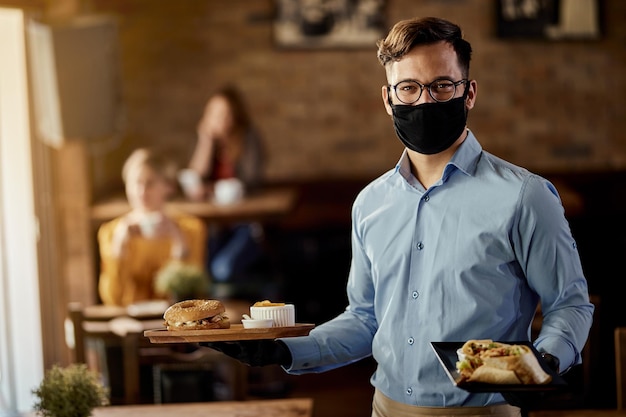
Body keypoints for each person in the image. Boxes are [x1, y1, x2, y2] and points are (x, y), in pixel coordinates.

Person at [202, 16, 594, 417]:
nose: (424, 101)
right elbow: (365, 319)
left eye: (442, 85)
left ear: (469, 93)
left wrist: (546, 363)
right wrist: (281, 349)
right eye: (408, 88)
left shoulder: (525, 196)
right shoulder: (370, 204)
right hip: (384, 409)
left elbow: (570, 304)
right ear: (388, 100)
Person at [98, 147, 207, 306]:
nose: (141, 191)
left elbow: (192, 294)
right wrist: (119, 248)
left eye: (150, 183)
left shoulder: (191, 228)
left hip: (174, 321)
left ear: (169, 186)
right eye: (136, 183)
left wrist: (179, 243)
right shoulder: (110, 232)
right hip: (129, 322)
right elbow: (112, 299)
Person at [184, 85, 267, 291]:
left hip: (245, 223)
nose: (220, 119)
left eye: (225, 114)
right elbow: (195, 176)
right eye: (214, 114)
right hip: (214, 225)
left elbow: (251, 180)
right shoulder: (210, 144)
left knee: (222, 269)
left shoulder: (248, 138)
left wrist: (211, 190)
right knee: (201, 270)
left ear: (236, 116)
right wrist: (205, 140)